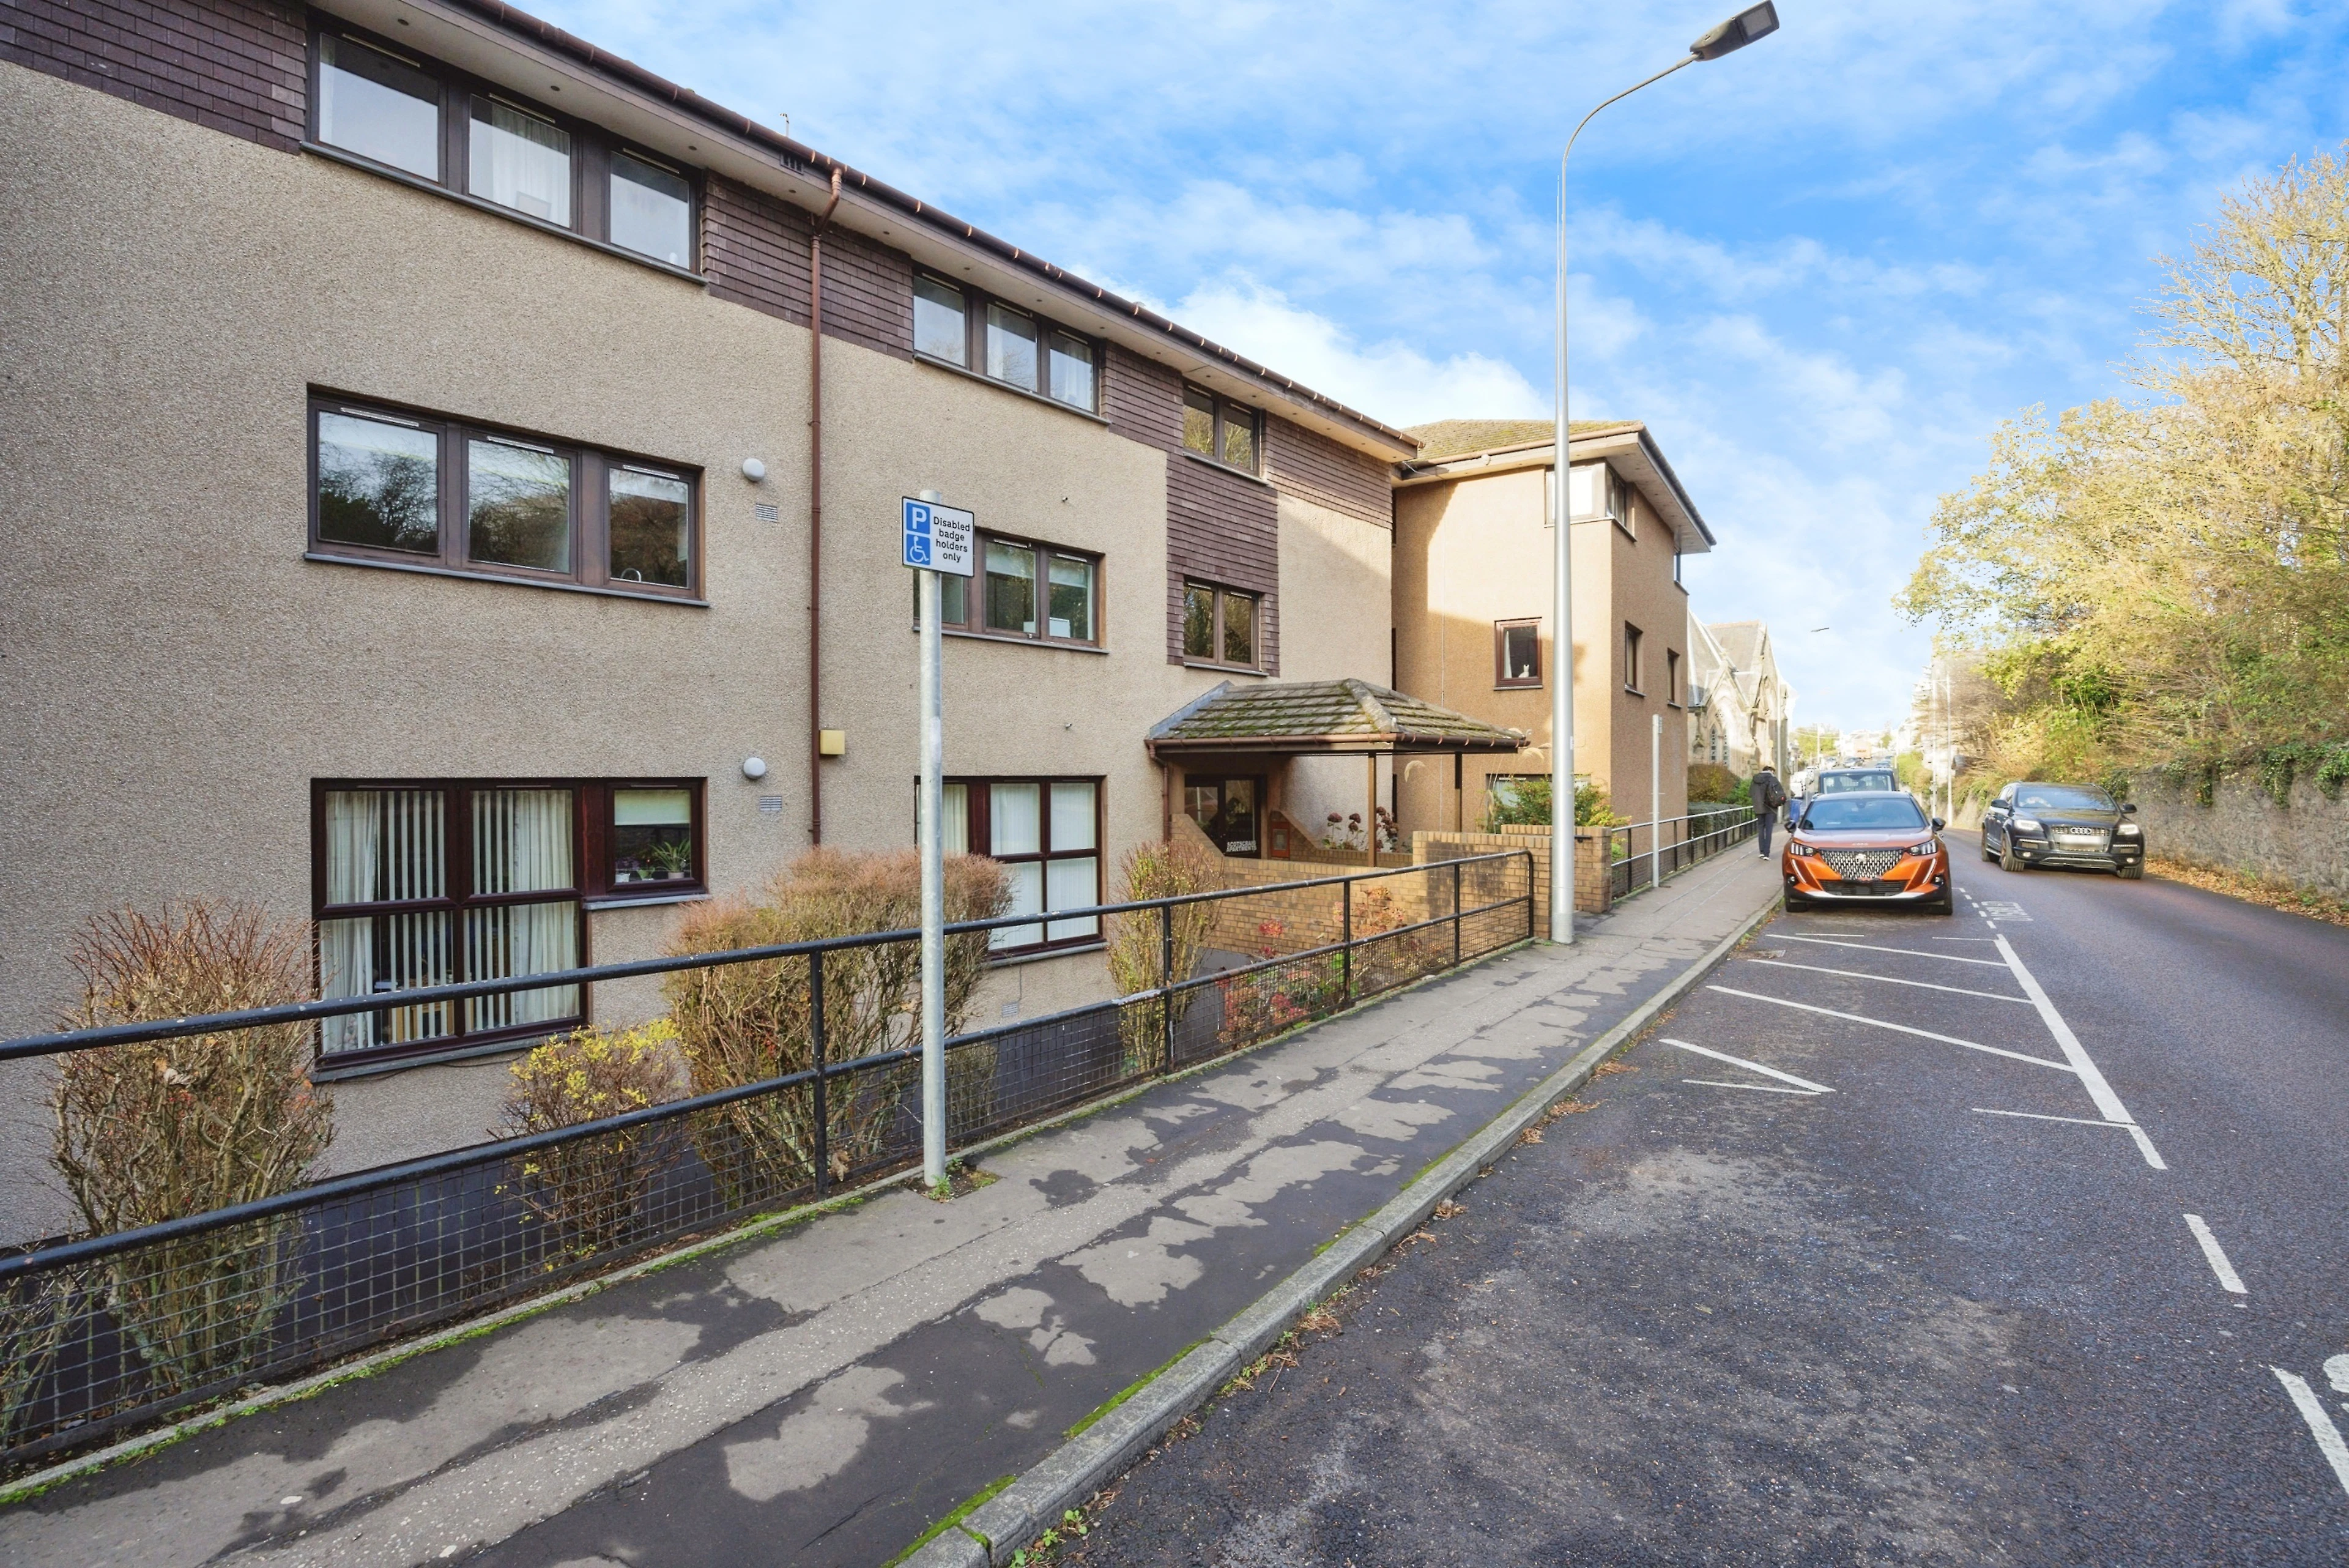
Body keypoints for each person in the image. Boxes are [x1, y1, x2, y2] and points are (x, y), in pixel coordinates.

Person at [1751, 765, 1787, 856]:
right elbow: (1780, 793)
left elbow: (1751, 793)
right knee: (1769, 830)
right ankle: (1767, 854)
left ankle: (1762, 852)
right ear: (1770, 771)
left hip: (1759, 808)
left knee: (1761, 830)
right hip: (1770, 808)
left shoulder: (1755, 779)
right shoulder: (1773, 779)